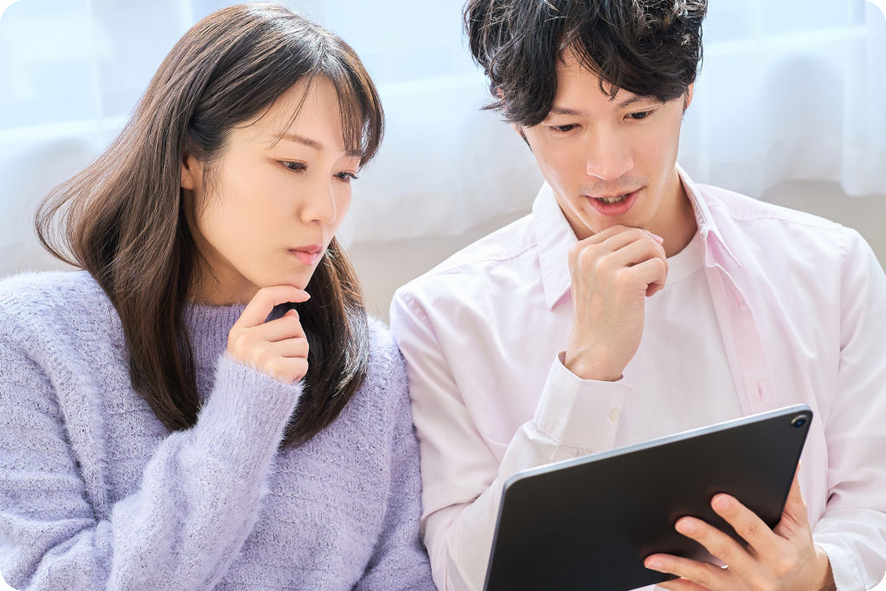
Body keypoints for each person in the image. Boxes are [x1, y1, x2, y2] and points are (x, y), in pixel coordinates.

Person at [389, 1, 886, 590]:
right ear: (516, 117)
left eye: (638, 113)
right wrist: (586, 372)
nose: (609, 166)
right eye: (566, 127)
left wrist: (817, 576)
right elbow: (462, 577)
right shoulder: (442, 316)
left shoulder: (831, 266)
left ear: (687, 90)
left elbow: (873, 504)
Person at [0, 4, 434, 589]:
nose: (324, 210)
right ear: (188, 159)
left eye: (344, 174)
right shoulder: (30, 338)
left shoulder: (369, 363)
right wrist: (242, 414)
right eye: (292, 163)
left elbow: (403, 576)